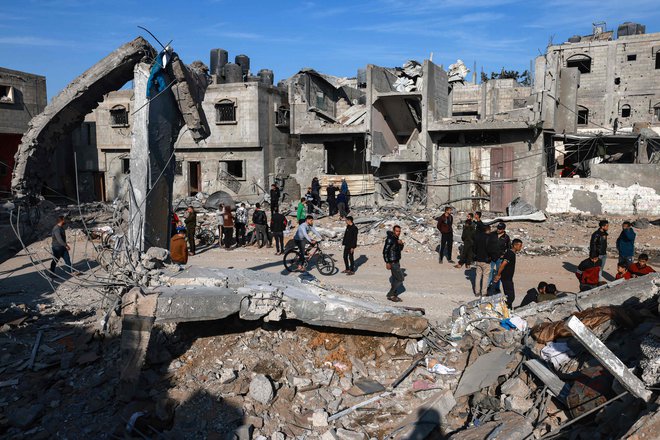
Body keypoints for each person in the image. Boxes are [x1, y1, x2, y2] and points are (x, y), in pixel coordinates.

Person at [493, 238, 523, 308]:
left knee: (509, 296)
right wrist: (498, 275)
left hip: (508, 278)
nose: (520, 247)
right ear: (515, 245)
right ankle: (503, 308)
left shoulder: (511, 253)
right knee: (511, 297)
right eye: (520, 246)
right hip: (506, 278)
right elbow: (503, 264)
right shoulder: (510, 254)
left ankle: (509, 309)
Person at [383, 225, 405, 302]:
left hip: (396, 261)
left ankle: (393, 295)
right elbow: (385, 251)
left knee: (395, 279)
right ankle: (390, 294)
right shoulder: (390, 239)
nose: (398, 233)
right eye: (397, 231)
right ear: (393, 231)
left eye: (399, 231)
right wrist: (387, 262)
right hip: (392, 262)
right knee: (400, 278)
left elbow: (399, 250)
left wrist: (401, 244)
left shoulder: (396, 239)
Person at [488, 223, 510, 292]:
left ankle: (497, 287)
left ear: (503, 229)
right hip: (491, 257)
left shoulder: (506, 237)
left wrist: (504, 255)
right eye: (497, 228)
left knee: (499, 272)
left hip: (499, 258)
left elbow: (508, 248)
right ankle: (488, 285)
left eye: (500, 229)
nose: (498, 230)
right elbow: (487, 244)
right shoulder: (492, 235)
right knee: (490, 271)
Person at [472, 224, 493, 296]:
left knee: (478, 276)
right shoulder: (489, 238)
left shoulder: (477, 237)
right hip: (486, 260)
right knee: (485, 277)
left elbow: (474, 248)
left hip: (478, 259)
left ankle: (477, 292)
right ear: (488, 230)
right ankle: (484, 292)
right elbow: (490, 249)